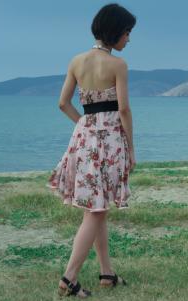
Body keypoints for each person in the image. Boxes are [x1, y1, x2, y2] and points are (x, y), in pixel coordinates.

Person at [45, 3, 136, 298]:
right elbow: (123, 108)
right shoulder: (118, 65)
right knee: (95, 211)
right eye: (127, 32)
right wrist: (131, 148)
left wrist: (84, 125)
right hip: (109, 141)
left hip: (83, 140)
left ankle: (106, 272)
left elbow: (62, 103)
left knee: (97, 208)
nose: (129, 39)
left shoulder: (76, 61)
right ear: (115, 32)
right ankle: (69, 278)